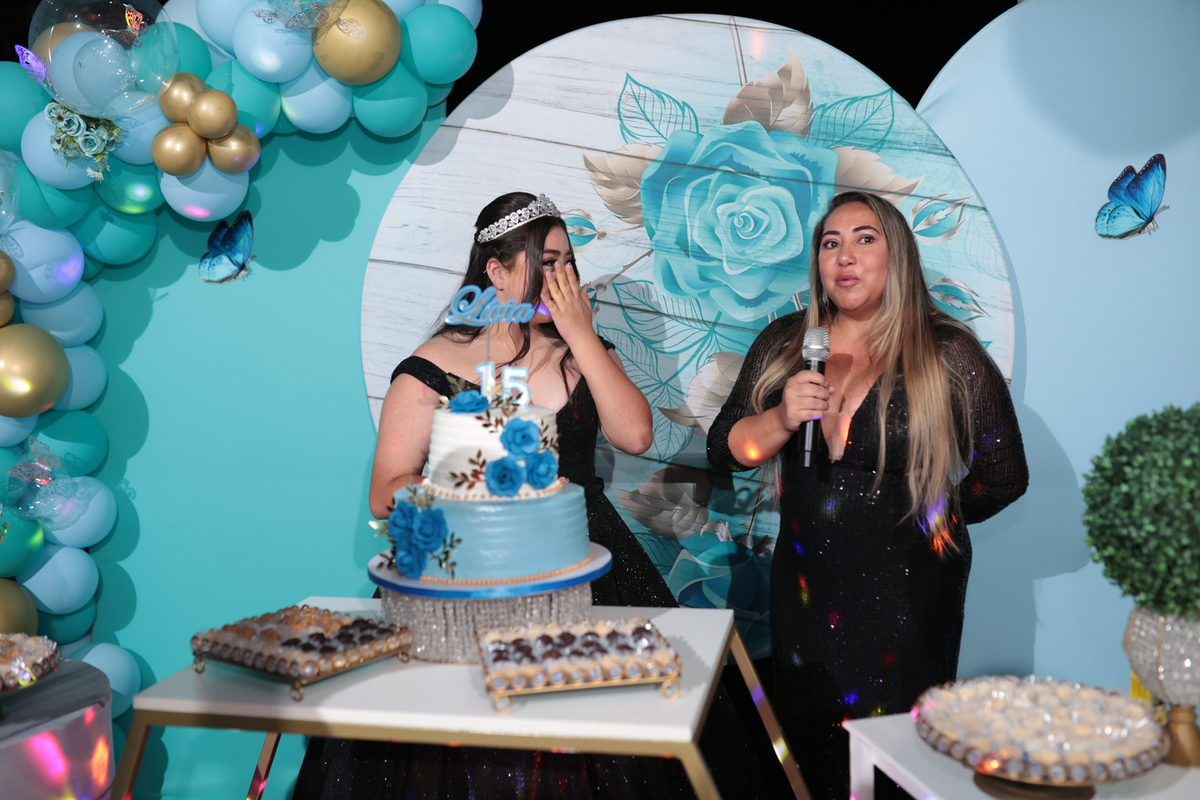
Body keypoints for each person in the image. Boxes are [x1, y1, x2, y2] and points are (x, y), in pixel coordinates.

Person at [295, 192, 770, 799]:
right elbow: (386, 492)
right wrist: (473, 490)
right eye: (546, 262)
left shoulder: (580, 356)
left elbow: (636, 434)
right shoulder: (434, 365)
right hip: (468, 564)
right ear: (495, 271)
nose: (562, 277)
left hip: (583, 554)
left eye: (569, 261)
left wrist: (583, 335)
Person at [707, 191, 1029, 800]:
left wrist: (930, 519)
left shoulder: (947, 351)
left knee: (894, 766)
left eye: (864, 239)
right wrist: (780, 419)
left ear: (897, 255)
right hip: (805, 595)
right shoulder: (788, 343)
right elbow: (725, 449)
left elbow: (1005, 474)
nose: (845, 257)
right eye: (831, 243)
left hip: (908, 601)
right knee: (810, 757)